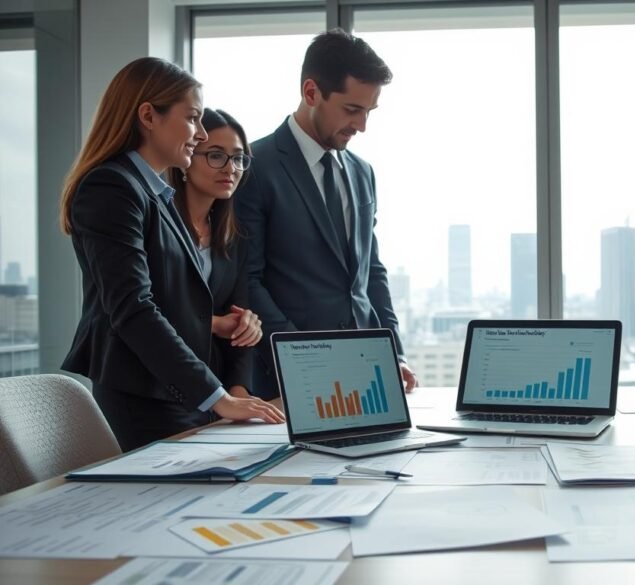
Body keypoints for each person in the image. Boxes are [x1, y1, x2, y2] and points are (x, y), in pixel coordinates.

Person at [60, 57, 285, 452]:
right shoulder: (112, 188)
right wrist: (217, 396)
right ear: (148, 115)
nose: (199, 134)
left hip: (178, 393)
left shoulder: (154, 195)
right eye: (193, 118)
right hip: (143, 395)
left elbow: (173, 301)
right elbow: (133, 308)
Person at [235, 29, 416, 399]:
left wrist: (392, 351)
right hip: (287, 380)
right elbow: (247, 280)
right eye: (352, 109)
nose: (362, 125)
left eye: (369, 111)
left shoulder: (363, 172)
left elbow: (371, 273)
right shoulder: (254, 166)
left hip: (365, 375)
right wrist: (303, 357)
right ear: (311, 92)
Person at [167, 108, 262, 400]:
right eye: (216, 155)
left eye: (238, 158)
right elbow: (148, 311)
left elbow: (239, 314)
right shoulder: (159, 224)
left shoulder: (234, 237)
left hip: (215, 387)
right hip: (158, 382)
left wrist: (239, 389)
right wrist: (215, 323)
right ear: (186, 158)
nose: (230, 168)